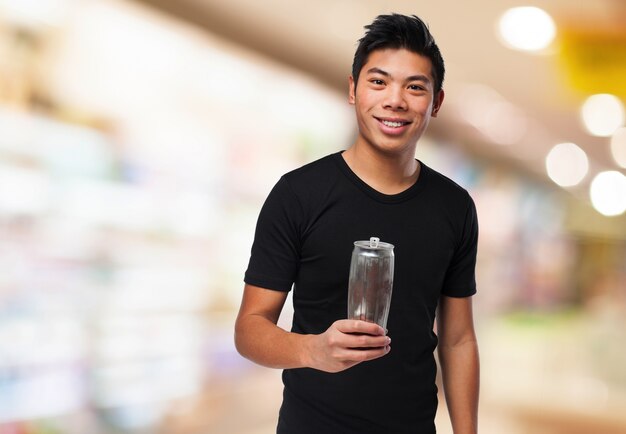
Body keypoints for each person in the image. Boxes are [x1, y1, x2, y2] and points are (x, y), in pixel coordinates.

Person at [235, 13, 479, 434]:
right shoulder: (298, 194)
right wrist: (312, 350)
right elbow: (249, 328)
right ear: (353, 90)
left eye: (415, 87)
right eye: (378, 81)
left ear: (435, 102)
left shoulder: (454, 207)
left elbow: (458, 339)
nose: (395, 100)